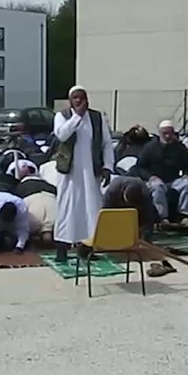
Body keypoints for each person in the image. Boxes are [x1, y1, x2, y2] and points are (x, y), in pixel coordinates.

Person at [50, 86, 114, 263]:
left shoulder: (97, 117)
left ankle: (86, 249)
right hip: (69, 173)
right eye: (75, 98)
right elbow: (62, 135)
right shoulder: (62, 116)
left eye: (82, 97)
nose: (79, 101)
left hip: (91, 171)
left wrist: (108, 166)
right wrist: (77, 116)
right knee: (67, 209)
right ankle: (62, 250)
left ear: (87, 99)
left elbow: (107, 145)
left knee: (92, 209)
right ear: (70, 100)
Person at [138, 120, 188, 228]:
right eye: (165, 133)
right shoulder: (149, 148)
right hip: (155, 179)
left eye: (170, 133)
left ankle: (184, 216)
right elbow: (140, 167)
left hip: (173, 180)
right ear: (160, 133)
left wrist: (187, 174)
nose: (168, 136)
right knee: (158, 187)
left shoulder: (179, 148)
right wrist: (150, 177)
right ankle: (162, 218)